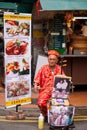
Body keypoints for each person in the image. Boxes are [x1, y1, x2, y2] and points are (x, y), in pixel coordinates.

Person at [33, 50, 65, 121]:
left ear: (57, 60)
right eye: (50, 59)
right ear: (48, 60)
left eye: (54, 59)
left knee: (61, 104)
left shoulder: (59, 69)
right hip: (45, 90)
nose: (52, 61)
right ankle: (46, 115)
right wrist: (36, 85)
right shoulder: (43, 68)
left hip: (56, 91)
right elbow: (37, 79)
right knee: (41, 103)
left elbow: (64, 79)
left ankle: (54, 116)